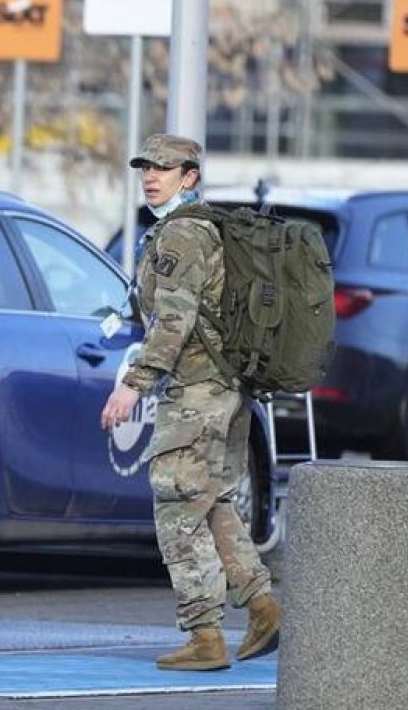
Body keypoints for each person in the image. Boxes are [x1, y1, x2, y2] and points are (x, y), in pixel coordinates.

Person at [100, 134, 282, 671]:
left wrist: (133, 384)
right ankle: (263, 608)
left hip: (198, 389)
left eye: (164, 168)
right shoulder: (204, 230)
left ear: (190, 177)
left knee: (178, 505)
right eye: (145, 167)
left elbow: (174, 323)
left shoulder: (181, 235)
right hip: (227, 389)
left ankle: (205, 635)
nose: (151, 176)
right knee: (212, 502)